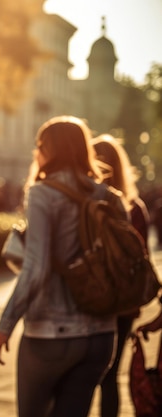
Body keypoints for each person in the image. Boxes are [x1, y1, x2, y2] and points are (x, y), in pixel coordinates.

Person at [0, 116, 126, 417]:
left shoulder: (43, 194)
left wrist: (5, 325)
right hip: (102, 336)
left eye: (39, 146)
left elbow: (36, 268)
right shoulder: (111, 198)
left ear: (49, 150)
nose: (36, 153)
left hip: (51, 334)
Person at [92, 134, 151, 417]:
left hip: (92, 300)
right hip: (125, 305)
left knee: (84, 377)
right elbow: (143, 261)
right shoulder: (134, 207)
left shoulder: (88, 207)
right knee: (110, 376)